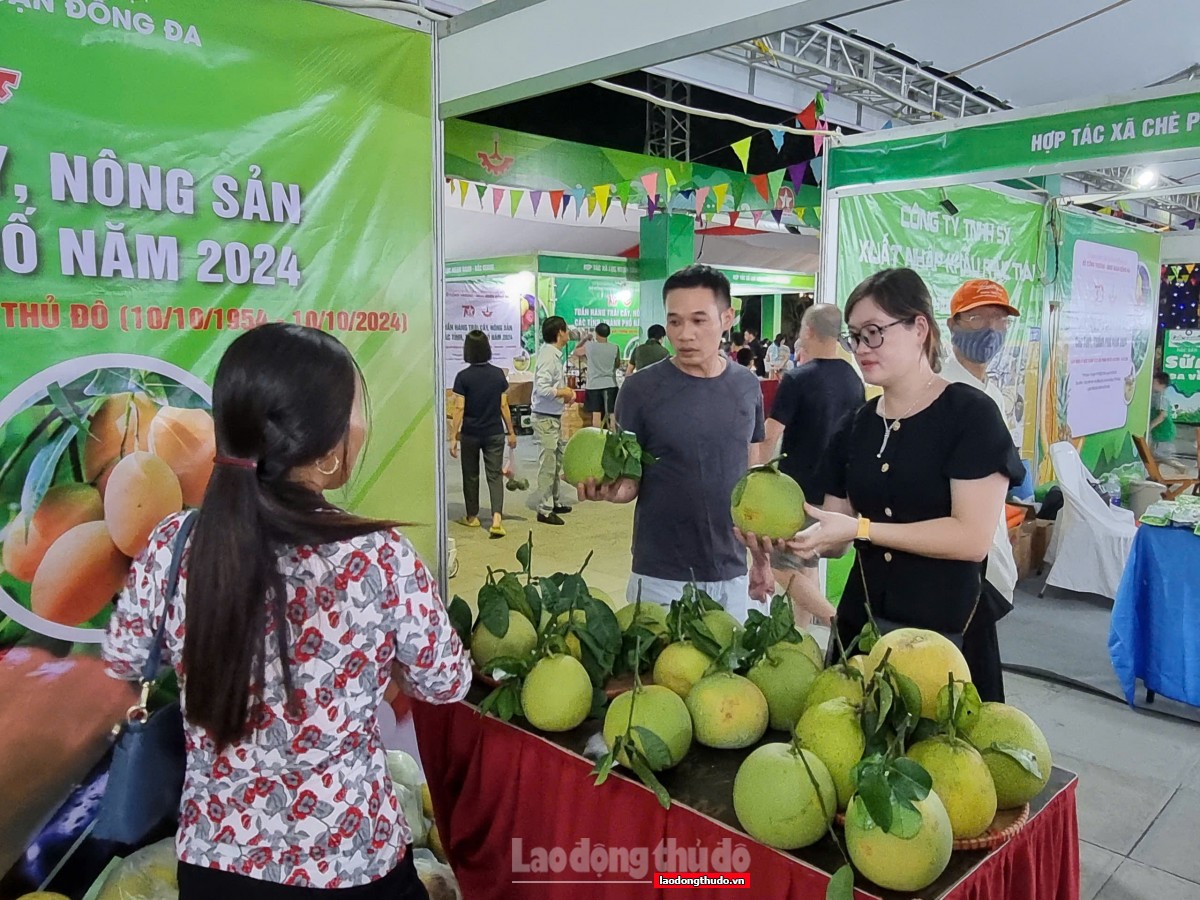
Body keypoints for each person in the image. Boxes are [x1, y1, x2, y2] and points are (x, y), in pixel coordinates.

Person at [103, 323, 469, 899]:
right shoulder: (378, 556)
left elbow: (125, 658)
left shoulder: (173, 542)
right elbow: (446, 681)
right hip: (351, 861)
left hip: (216, 862)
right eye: (354, 409)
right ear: (326, 451)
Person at [741, 269, 1021, 702]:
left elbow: (971, 538)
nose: (862, 349)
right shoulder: (856, 426)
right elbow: (832, 533)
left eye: (875, 333)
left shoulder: (970, 416)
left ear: (919, 328)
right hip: (864, 628)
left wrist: (862, 530)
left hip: (945, 635)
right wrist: (777, 542)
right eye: (855, 336)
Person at [577, 265, 767, 621]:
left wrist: (761, 563)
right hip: (660, 576)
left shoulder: (746, 386)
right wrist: (607, 490)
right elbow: (630, 482)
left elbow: (753, 483)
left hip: (732, 573)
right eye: (675, 322)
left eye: (699, 320)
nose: (685, 334)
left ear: (727, 318)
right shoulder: (639, 391)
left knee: (734, 677)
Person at [761, 304, 865, 622]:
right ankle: (803, 639)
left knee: (780, 565)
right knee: (809, 563)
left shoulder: (797, 378)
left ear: (807, 331)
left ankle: (835, 620)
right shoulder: (854, 379)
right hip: (836, 495)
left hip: (797, 492)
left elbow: (771, 434)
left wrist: (759, 479)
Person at [942, 280, 1022, 611]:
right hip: (957, 552)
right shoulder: (942, 394)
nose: (990, 329)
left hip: (991, 537)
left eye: (998, 319)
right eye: (977, 318)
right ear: (952, 325)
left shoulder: (991, 392)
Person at [450, 329, 517, 538]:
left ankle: (472, 517)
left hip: (470, 434)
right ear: (487, 348)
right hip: (495, 432)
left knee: (470, 475)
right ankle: (497, 519)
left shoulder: (463, 377)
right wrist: (511, 432)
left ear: (467, 351)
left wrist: (453, 437)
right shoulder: (498, 374)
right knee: (495, 475)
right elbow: (503, 405)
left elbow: (459, 408)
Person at [533, 315, 577, 525]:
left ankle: (555, 501)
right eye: (566, 330)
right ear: (559, 332)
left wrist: (565, 394)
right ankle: (544, 508)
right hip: (545, 419)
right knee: (548, 465)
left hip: (553, 416)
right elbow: (542, 389)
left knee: (556, 462)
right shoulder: (549, 356)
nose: (568, 334)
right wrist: (563, 392)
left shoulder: (553, 355)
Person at [575, 322, 621, 427]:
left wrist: (585, 338)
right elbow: (617, 364)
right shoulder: (615, 348)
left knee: (596, 415)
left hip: (594, 385)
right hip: (611, 384)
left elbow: (576, 352)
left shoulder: (590, 346)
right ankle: (613, 435)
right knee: (612, 414)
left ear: (596, 333)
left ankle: (597, 439)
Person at [1150, 371, 1176, 459]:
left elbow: (1162, 415)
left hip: (1164, 432)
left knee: (1163, 457)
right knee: (1155, 456)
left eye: (1154, 382)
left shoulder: (1161, 397)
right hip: (1160, 432)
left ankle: (1180, 467)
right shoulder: (1157, 396)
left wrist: (1150, 426)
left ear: (1162, 385)